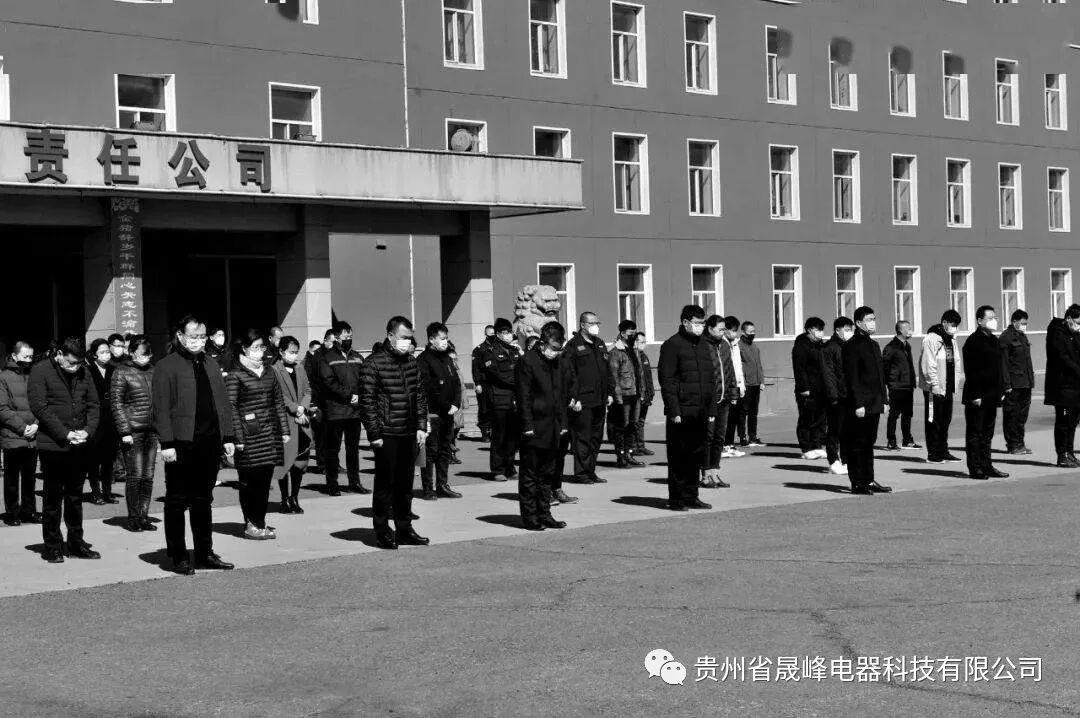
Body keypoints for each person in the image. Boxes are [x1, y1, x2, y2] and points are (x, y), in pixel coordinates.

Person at [153, 315, 237, 575]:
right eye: (193, 336)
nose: (198, 341)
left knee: (203, 499)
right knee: (177, 500)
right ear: (180, 336)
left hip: (209, 442)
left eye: (202, 336)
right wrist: (166, 442)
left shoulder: (210, 363)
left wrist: (228, 436)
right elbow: (160, 408)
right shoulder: (166, 366)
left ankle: (204, 552)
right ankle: (178, 555)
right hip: (181, 443)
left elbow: (222, 402)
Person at [27, 337, 100, 563]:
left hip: (80, 442)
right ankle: (53, 545)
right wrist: (65, 433)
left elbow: (93, 404)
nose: (75, 367)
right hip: (54, 444)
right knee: (53, 497)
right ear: (59, 354)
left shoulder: (84, 371)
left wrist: (87, 431)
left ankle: (76, 542)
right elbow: (40, 406)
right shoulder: (41, 370)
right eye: (71, 362)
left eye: (79, 363)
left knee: (75, 496)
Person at [359, 316, 429, 550]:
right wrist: (374, 433)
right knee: (385, 485)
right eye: (403, 337)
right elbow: (367, 402)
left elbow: (420, 396)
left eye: (409, 338)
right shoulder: (373, 363)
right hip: (386, 433)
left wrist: (421, 426)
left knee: (405, 486)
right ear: (390, 336)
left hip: (409, 432)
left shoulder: (411, 362)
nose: (407, 342)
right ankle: (382, 531)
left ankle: (404, 528)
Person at [227, 330, 291, 539]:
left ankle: (260, 522)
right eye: (254, 347)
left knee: (264, 483)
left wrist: (284, 429)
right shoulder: (236, 374)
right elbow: (231, 407)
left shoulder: (269, 371)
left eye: (261, 347)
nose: (259, 351)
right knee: (250, 483)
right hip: (248, 436)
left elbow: (278, 401)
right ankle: (251, 524)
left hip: (269, 435)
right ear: (244, 349)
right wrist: (238, 437)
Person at [515, 321, 571, 531]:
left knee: (548, 473)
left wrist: (563, 423)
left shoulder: (557, 362)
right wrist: (527, 424)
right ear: (544, 341)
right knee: (531, 474)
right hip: (534, 426)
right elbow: (523, 396)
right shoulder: (527, 361)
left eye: (560, 348)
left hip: (553, 426)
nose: (557, 351)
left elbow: (561, 395)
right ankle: (531, 517)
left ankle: (545, 513)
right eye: (554, 347)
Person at [658, 305, 714, 512]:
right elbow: (668, 380)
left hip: (701, 410)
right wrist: (674, 410)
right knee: (679, 456)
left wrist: (712, 410)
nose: (701, 326)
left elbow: (710, 379)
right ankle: (677, 499)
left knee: (696, 455)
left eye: (703, 323)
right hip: (682, 411)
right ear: (685, 322)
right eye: (697, 323)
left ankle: (692, 495)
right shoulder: (672, 345)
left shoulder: (703, 344)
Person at [110, 335, 158, 532]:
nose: (146, 357)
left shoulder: (153, 371)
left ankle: (144, 516)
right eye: (142, 353)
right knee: (135, 475)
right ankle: (134, 517)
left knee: (148, 475)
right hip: (133, 431)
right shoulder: (121, 372)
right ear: (132, 353)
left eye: (148, 354)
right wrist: (124, 430)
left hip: (152, 430)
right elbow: (116, 403)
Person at [842, 307, 891, 495]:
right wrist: (858, 403)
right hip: (860, 404)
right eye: (869, 319)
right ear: (858, 323)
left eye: (874, 318)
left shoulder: (873, 344)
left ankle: (868, 479)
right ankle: (857, 482)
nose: (873, 322)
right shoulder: (852, 345)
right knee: (858, 442)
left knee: (869, 442)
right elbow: (852, 377)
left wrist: (884, 400)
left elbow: (880, 376)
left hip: (874, 402)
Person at [315, 322, 367, 496]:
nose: (348, 339)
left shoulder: (357, 357)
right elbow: (328, 382)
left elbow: (365, 379)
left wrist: (359, 395)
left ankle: (355, 482)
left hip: (354, 412)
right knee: (333, 450)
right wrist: (349, 395)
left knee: (353, 450)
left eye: (350, 336)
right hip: (335, 411)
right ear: (336, 337)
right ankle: (332, 484)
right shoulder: (327, 357)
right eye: (345, 336)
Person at [562, 311, 612, 483]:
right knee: (582, 437)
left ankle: (591, 471)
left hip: (600, 398)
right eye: (592, 323)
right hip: (583, 400)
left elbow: (607, 370)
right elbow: (569, 374)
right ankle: (581, 473)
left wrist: (610, 392)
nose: (596, 326)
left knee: (596, 438)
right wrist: (574, 398)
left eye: (597, 323)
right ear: (583, 325)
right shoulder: (573, 345)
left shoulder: (599, 343)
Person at [416, 323, 464, 500]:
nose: (445, 341)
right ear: (431, 339)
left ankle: (442, 484)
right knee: (430, 452)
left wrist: (456, 403)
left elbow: (456, 383)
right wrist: (445, 405)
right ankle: (428, 488)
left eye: (446, 338)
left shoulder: (447, 358)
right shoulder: (423, 360)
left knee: (445, 451)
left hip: (449, 414)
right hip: (433, 413)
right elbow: (428, 388)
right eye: (442, 338)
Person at [961, 306, 1008, 480]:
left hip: (992, 394)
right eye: (989, 318)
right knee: (975, 433)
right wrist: (975, 395)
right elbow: (971, 371)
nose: (993, 321)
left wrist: (1001, 390)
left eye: (994, 317)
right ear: (979, 321)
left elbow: (998, 367)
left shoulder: (994, 340)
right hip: (978, 395)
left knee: (988, 433)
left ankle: (987, 465)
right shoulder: (973, 341)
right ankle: (975, 468)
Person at [0, 341, 40, 526]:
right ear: (14, 356)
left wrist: (36, 424)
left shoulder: (34, 375)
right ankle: (12, 512)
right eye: (25, 356)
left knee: (30, 477)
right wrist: (23, 428)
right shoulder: (3, 377)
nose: (29, 360)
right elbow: (2, 409)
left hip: (33, 433)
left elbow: (41, 403)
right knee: (12, 478)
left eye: (31, 356)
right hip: (13, 434)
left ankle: (29, 511)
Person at [272, 336, 314, 514]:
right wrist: (295, 409)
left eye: (296, 352)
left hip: (302, 420)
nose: (294, 355)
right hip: (286, 421)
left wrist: (303, 408)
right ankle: (284, 499)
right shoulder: (274, 370)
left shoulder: (300, 368)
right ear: (282, 352)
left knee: (300, 462)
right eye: (291, 352)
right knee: (285, 462)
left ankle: (294, 497)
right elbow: (278, 395)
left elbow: (307, 390)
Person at [478, 318, 522, 482]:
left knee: (512, 436)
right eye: (505, 332)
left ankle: (510, 467)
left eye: (510, 332)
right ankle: (498, 469)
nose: (508, 335)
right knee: (499, 435)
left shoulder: (515, 350)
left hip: (515, 399)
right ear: (498, 334)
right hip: (499, 398)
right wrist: (517, 381)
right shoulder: (490, 352)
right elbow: (496, 375)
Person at [919, 310, 964, 464]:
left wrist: (955, 384)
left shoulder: (951, 339)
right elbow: (928, 364)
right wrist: (934, 384)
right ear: (944, 322)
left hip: (947, 387)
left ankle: (943, 451)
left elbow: (955, 362)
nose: (954, 327)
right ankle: (933, 454)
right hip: (934, 389)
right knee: (933, 420)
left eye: (956, 325)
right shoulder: (932, 339)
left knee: (945, 420)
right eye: (952, 324)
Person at [701, 314, 738, 488]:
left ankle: (715, 472)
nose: (723, 332)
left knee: (719, 437)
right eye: (720, 329)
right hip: (709, 400)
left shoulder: (723, 345)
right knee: (707, 437)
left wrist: (733, 393)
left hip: (724, 399)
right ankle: (705, 474)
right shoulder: (702, 345)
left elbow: (730, 370)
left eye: (724, 329)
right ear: (710, 328)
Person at [86, 338, 120, 505]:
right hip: (94, 420)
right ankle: (96, 492)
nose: (106, 354)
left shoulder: (114, 370)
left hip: (111, 420)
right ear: (94, 354)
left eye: (107, 351)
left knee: (109, 459)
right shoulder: (88, 371)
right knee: (93, 459)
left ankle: (107, 492)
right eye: (102, 352)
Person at [1046, 304, 1080, 467]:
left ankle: (1070, 452)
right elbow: (1062, 358)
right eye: (1078, 322)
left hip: (1076, 386)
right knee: (1064, 422)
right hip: (1063, 386)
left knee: (1073, 422)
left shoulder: (1075, 334)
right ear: (1069, 319)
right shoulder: (1057, 333)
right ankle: (1062, 455)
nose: (1079, 326)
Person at [608, 319, 643, 468]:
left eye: (634, 332)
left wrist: (642, 392)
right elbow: (613, 377)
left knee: (633, 426)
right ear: (622, 333)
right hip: (623, 396)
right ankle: (621, 457)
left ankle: (629, 454)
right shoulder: (616, 352)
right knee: (621, 426)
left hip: (635, 394)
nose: (633, 335)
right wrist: (618, 398)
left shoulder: (633, 350)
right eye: (630, 333)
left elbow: (639, 373)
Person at [792, 317, 828, 460]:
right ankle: (806, 448)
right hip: (807, 389)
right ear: (809, 330)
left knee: (820, 418)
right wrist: (804, 387)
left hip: (821, 388)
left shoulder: (820, 345)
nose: (821, 332)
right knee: (807, 418)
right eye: (818, 329)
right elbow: (799, 369)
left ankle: (817, 445)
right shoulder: (801, 346)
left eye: (822, 329)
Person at [1000, 309, 1034, 455]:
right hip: (1013, 384)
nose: (1024, 326)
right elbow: (1003, 363)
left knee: (1022, 416)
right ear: (1014, 322)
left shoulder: (1022, 336)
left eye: (1026, 323)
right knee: (1011, 415)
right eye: (1022, 323)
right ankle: (1012, 445)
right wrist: (1006, 385)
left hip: (1025, 383)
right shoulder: (1005, 337)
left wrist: (1031, 381)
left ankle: (1020, 443)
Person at [821, 317, 852, 476]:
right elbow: (828, 374)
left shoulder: (848, 346)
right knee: (834, 430)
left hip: (848, 395)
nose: (849, 332)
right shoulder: (829, 347)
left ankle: (846, 460)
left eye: (850, 329)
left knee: (846, 430)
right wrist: (833, 395)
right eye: (846, 329)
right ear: (837, 330)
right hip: (836, 396)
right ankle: (833, 461)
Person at [882, 320, 919, 451]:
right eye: (908, 328)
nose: (910, 330)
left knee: (908, 414)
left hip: (908, 385)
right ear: (900, 330)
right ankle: (891, 441)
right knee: (894, 414)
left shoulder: (907, 345)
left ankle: (907, 440)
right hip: (896, 386)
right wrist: (890, 383)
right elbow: (885, 367)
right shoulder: (891, 347)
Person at [304, 332, 333, 474]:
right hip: (318, 402)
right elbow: (310, 384)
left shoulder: (330, 357)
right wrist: (312, 403)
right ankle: (322, 464)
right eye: (331, 341)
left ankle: (332, 464)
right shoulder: (312, 361)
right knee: (320, 435)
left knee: (330, 436)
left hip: (330, 403)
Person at [736, 321, 766, 447]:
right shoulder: (738, 346)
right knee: (743, 412)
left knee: (754, 412)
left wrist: (761, 381)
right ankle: (742, 437)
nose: (753, 334)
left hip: (756, 384)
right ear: (743, 332)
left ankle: (753, 436)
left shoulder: (754, 346)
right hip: (746, 384)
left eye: (754, 331)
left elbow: (759, 364)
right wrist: (741, 383)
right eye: (750, 332)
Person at [721, 316, 747, 455]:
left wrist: (741, 386)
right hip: (727, 386)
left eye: (736, 331)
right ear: (725, 330)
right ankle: (724, 445)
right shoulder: (722, 344)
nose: (735, 333)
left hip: (736, 385)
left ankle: (730, 444)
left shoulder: (735, 344)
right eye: (733, 330)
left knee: (734, 417)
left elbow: (738, 367)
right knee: (726, 417)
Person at [632, 332, 655, 457]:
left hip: (646, 395)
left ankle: (641, 446)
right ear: (635, 342)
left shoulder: (644, 356)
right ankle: (633, 447)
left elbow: (648, 376)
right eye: (642, 342)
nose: (644, 344)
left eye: (644, 342)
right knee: (634, 422)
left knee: (641, 422)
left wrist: (651, 392)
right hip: (637, 395)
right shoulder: (631, 356)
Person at [471, 325, 496, 442]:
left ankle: (494, 432)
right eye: (490, 334)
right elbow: (475, 369)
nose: (492, 336)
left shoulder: (498, 347)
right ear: (486, 334)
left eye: (494, 334)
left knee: (495, 408)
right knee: (484, 409)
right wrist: (478, 383)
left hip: (496, 383)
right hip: (484, 384)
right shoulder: (479, 349)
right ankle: (485, 432)